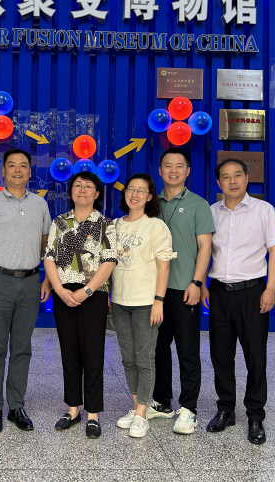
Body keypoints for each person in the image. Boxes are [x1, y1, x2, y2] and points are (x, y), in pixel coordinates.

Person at [202, 158, 275, 445]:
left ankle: (255, 415)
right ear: (219, 182)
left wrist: (270, 288)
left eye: (237, 175)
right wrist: (201, 284)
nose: (232, 181)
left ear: (247, 178)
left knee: (256, 356)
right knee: (220, 355)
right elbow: (204, 251)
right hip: (218, 292)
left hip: (253, 292)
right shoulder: (211, 212)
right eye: (226, 176)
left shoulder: (264, 210)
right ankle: (226, 409)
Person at [0, 148, 52, 433]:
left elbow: (47, 246)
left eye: (23, 166)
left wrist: (47, 279)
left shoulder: (40, 205)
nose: (17, 170)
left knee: (22, 348)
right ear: (3, 171)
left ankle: (16, 406)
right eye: (12, 165)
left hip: (30, 282)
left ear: (30, 171)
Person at [43, 171, 117, 439]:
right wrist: (59, 289)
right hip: (63, 293)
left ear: (97, 193)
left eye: (88, 186)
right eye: (77, 185)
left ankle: (93, 413)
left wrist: (87, 291)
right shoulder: (59, 222)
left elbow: (109, 260)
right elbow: (49, 257)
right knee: (69, 352)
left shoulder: (105, 224)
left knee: (93, 354)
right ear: (71, 191)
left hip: (93, 294)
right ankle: (73, 409)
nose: (82, 190)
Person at [150, 147, 215, 435]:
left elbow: (205, 247)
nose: (173, 170)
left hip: (185, 289)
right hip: (154, 291)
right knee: (157, 349)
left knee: (187, 351)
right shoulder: (151, 203)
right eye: (168, 165)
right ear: (160, 170)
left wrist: (197, 282)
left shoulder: (199, 205)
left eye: (179, 166)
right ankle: (162, 402)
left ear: (188, 171)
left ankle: (188, 408)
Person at [111, 173, 174, 439]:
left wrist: (159, 301)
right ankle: (139, 407)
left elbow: (164, 266)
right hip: (119, 301)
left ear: (150, 197)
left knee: (145, 359)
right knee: (128, 358)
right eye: (130, 189)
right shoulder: (114, 225)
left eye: (141, 190)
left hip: (146, 302)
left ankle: (141, 414)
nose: (134, 194)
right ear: (124, 193)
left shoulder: (156, 226)